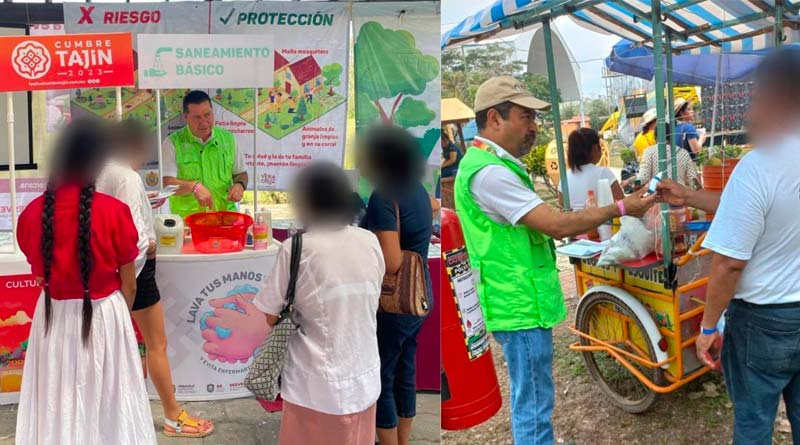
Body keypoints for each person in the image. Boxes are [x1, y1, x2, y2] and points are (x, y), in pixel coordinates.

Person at [453, 76, 656, 445]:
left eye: (534, 117)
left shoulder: (490, 164)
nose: (534, 126)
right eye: (525, 116)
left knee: (532, 398)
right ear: (495, 118)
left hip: (517, 299)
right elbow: (556, 225)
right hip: (518, 303)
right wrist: (622, 207)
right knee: (533, 405)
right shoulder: (490, 173)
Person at [661, 47, 800, 444]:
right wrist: (689, 195)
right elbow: (753, 208)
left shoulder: (758, 166)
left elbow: (728, 264)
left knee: (754, 423)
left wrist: (707, 327)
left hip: (763, 321)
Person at [14, 120, 156, 445]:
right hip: (105, 314)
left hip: (53, 318)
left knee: (57, 398)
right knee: (111, 400)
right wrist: (119, 314)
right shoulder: (115, 212)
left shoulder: (32, 214)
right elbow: (129, 284)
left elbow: (40, 274)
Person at [96, 120, 214, 438]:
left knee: (116, 346)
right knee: (156, 344)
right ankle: (173, 416)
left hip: (104, 270)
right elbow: (132, 235)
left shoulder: (97, 171)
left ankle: (113, 413)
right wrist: (147, 248)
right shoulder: (126, 176)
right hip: (132, 269)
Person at [253, 162, 385, 445]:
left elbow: (270, 314)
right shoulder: (369, 240)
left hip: (314, 384)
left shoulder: (298, 248)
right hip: (364, 374)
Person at [359, 124, 433, 445]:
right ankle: (403, 440)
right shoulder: (417, 190)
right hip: (419, 296)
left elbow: (391, 262)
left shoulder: (383, 196)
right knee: (405, 370)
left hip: (394, 301)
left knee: (382, 375)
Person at [162, 90, 248, 218]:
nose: (204, 122)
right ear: (186, 117)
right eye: (197, 117)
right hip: (189, 222)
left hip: (225, 219)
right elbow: (167, 183)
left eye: (207, 115)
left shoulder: (228, 139)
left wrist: (239, 185)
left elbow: (241, 174)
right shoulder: (172, 143)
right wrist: (193, 187)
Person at [558, 127, 623, 210]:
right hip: (601, 218)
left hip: (575, 219)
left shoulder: (564, 179)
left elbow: (562, 210)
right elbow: (622, 205)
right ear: (595, 148)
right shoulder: (603, 173)